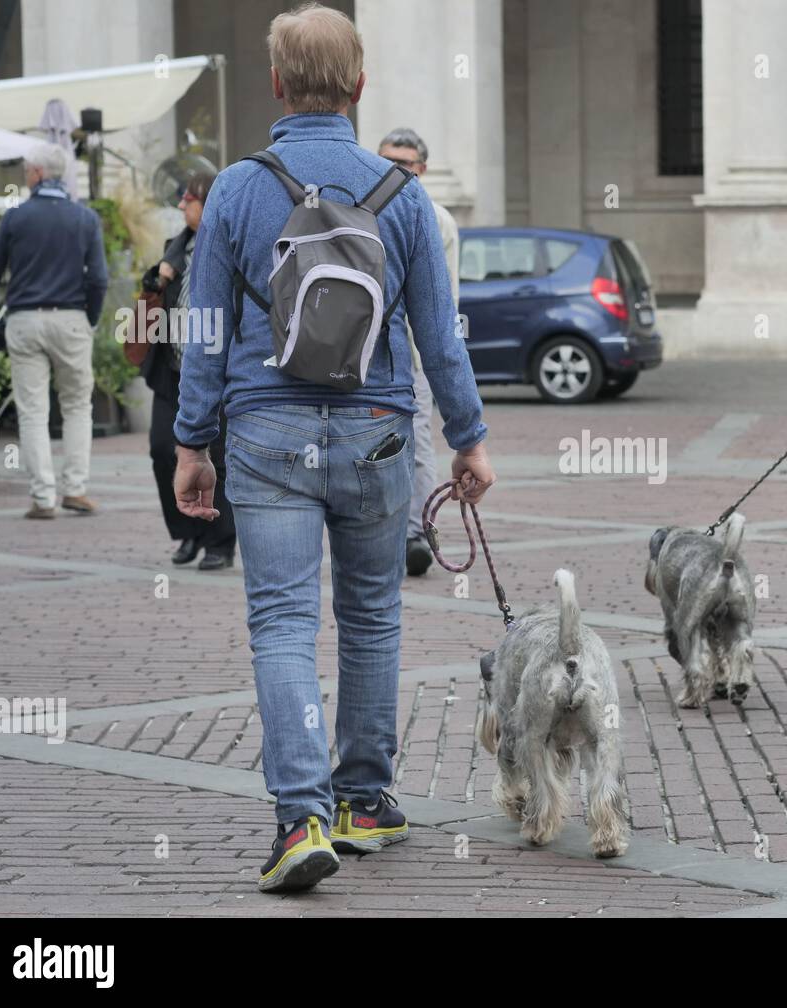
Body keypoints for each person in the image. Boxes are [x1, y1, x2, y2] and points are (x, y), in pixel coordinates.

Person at [172, 2, 495, 893]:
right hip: (379, 432)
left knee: (282, 622)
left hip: (266, 429)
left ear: (275, 82)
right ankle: (363, 800)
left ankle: (299, 819)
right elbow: (440, 335)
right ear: (359, 86)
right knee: (372, 618)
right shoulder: (403, 193)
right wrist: (467, 438)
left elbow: (201, 330)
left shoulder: (238, 188)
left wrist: (191, 442)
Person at [0, 142, 107, 519]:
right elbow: (98, 279)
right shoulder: (85, 219)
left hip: (24, 321)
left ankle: (43, 497)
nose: (24, 174)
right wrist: (91, 318)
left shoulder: (16, 217)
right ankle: (76, 489)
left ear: (37, 173)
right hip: (70, 319)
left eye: (26, 169)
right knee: (77, 406)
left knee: (32, 410)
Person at [140, 170, 237, 569]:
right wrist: (156, 277)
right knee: (163, 450)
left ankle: (219, 540)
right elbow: (149, 297)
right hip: (174, 371)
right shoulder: (174, 248)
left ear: (210, 202)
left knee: (217, 457)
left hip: (218, 373)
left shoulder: (231, 245)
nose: (182, 206)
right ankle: (188, 531)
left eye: (189, 199)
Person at [376, 127, 460, 577]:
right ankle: (381, 532)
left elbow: (444, 298)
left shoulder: (437, 219)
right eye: (387, 159)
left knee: (419, 443)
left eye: (404, 164)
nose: (394, 169)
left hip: (414, 351)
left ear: (421, 170)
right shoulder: (364, 206)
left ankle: (415, 533)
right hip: (368, 351)